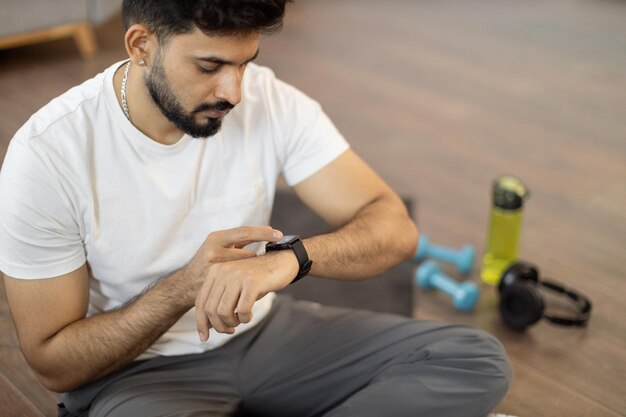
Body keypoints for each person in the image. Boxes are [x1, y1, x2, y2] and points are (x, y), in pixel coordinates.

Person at [0, 1, 512, 416]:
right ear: (140, 45)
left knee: (473, 360)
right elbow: (53, 365)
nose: (234, 91)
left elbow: (393, 226)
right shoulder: (47, 156)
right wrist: (185, 286)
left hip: (266, 335)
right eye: (209, 66)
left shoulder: (271, 102)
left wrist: (289, 259)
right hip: (140, 373)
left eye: (247, 62)